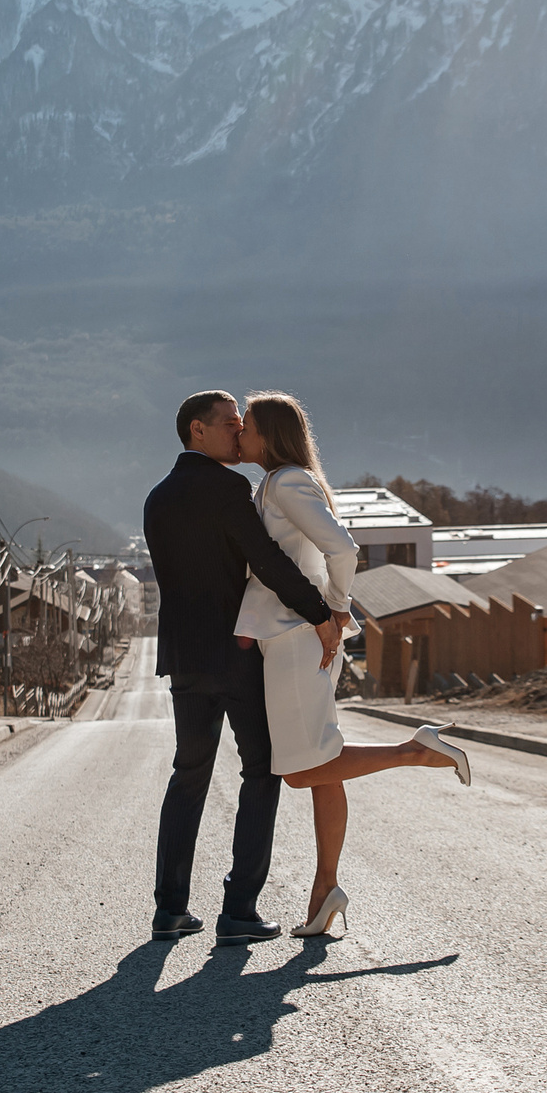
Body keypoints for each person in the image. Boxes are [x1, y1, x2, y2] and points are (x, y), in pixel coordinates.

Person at [234, 391, 469, 940]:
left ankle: (416, 750)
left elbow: (342, 549)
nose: (240, 432)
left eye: (247, 425)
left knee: (300, 771)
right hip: (293, 636)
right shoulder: (274, 483)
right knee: (323, 766)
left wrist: (337, 609)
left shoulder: (287, 481)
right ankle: (326, 889)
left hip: (297, 637)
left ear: (269, 435)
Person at [142, 390, 347, 946]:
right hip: (236, 654)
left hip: (185, 657)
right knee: (260, 772)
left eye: (241, 423)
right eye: (230, 423)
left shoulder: (156, 498)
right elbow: (268, 561)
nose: (239, 432)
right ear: (197, 429)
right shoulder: (229, 489)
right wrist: (322, 614)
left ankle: (169, 910)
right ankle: (239, 911)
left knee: (188, 775)